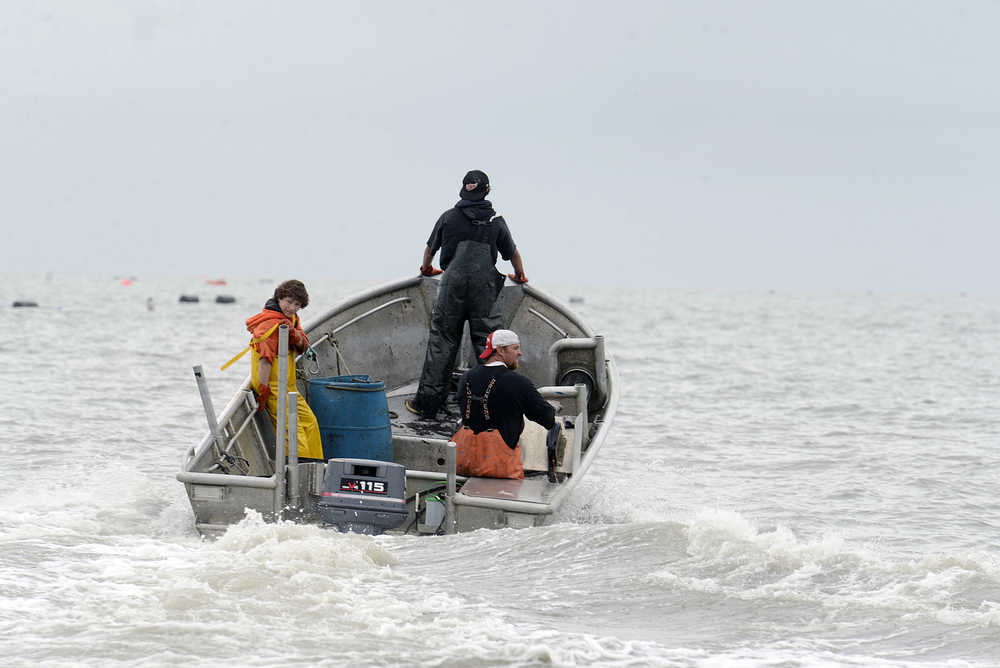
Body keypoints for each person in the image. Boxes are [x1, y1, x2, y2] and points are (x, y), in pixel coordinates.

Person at [406, 170, 530, 418]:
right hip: (483, 294)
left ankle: (428, 405)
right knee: (491, 346)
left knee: (442, 343)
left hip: (451, 290)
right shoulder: (496, 222)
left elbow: (430, 249)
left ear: (464, 190)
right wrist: (520, 274)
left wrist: (427, 269)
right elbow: (513, 254)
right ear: (487, 191)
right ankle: (495, 406)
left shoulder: (448, 217)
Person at [451, 329, 556, 479]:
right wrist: (552, 408)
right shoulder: (518, 382)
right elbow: (547, 418)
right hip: (500, 466)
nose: (519, 353)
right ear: (500, 350)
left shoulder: (466, 378)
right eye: (515, 348)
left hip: (464, 462)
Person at [244, 279, 325, 461]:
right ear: (279, 298)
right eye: (288, 301)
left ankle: (316, 466)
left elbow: (303, 343)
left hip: (289, 386)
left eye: (297, 304)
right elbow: (265, 361)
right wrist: (263, 391)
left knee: (310, 423)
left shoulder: (292, 320)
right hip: (272, 385)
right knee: (292, 430)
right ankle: (297, 470)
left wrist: (296, 336)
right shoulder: (269, 325)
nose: (292, 307)